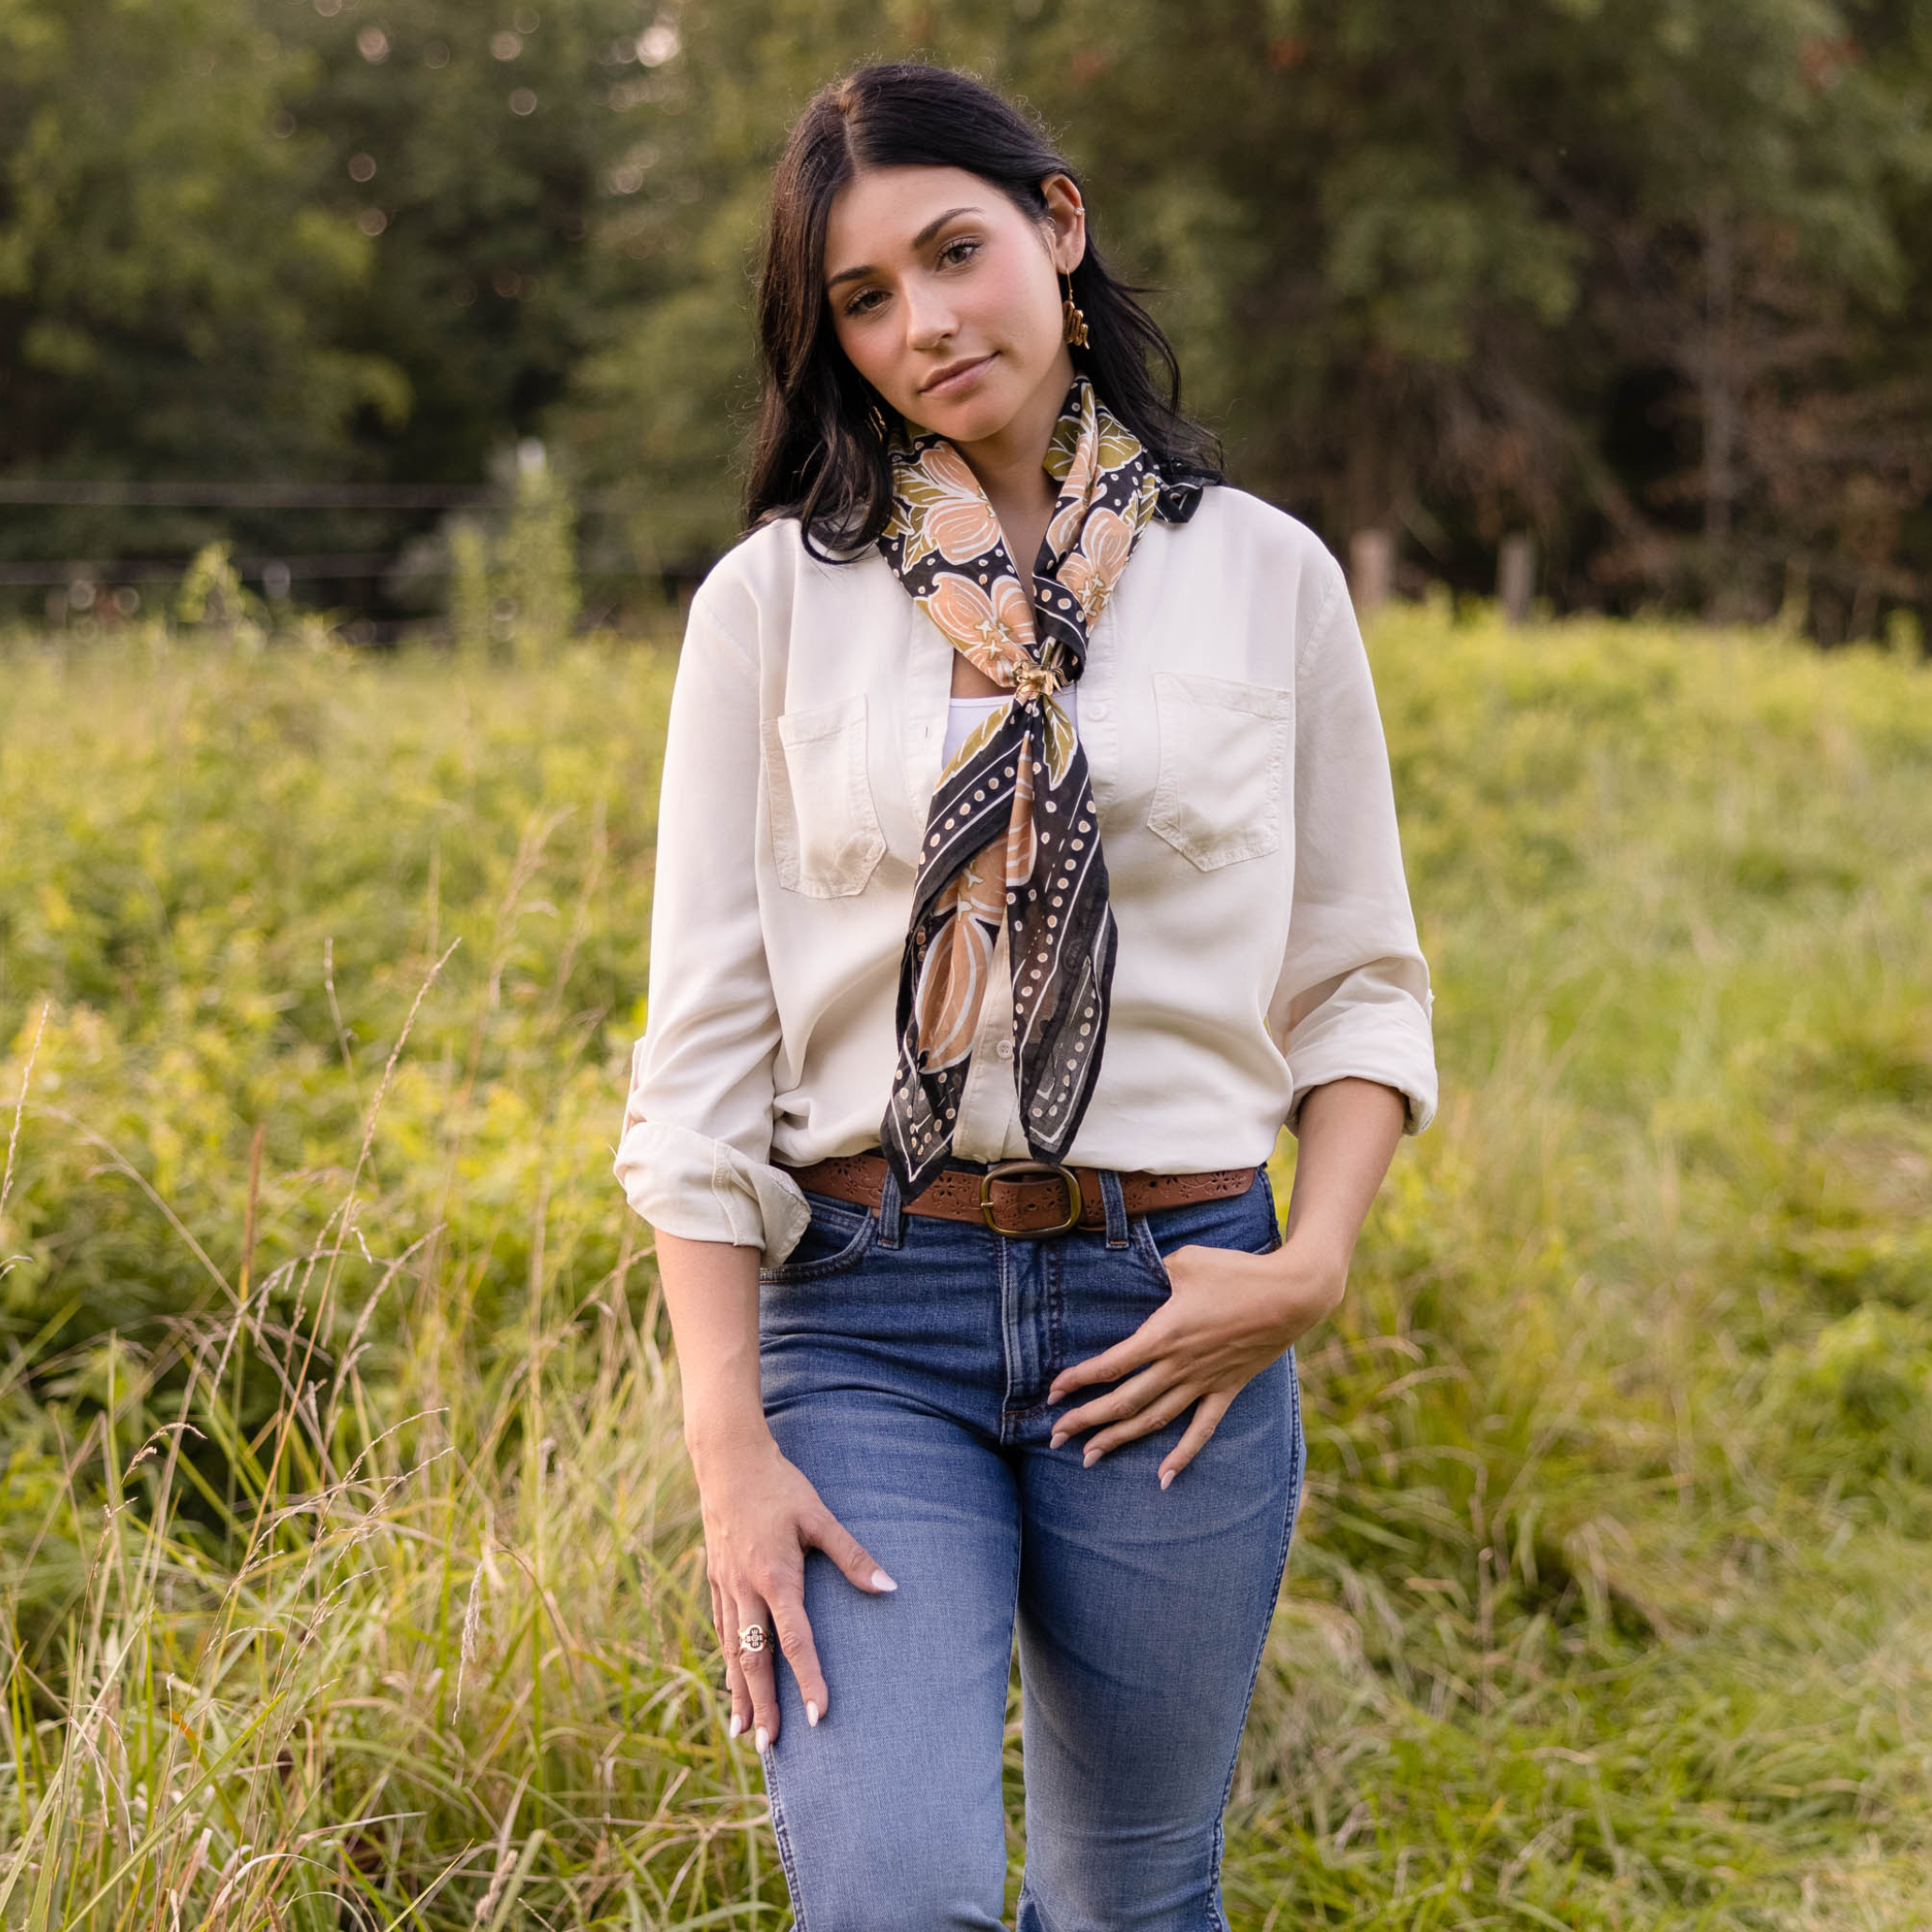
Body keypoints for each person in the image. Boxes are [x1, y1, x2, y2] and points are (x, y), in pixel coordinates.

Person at [614, 59, 1438, 1930]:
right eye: (861, 297)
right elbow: (704, 1051)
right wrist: (723, 1439)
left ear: (1055, 227)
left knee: (1131, 1892)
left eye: (952, 252)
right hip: (859, 1313)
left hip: (1174, 1305)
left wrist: (1308, 1262)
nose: (921, 323)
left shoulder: (1266, 580)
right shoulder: (770, 606)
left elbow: (1356, 975)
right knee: (891, 1893)